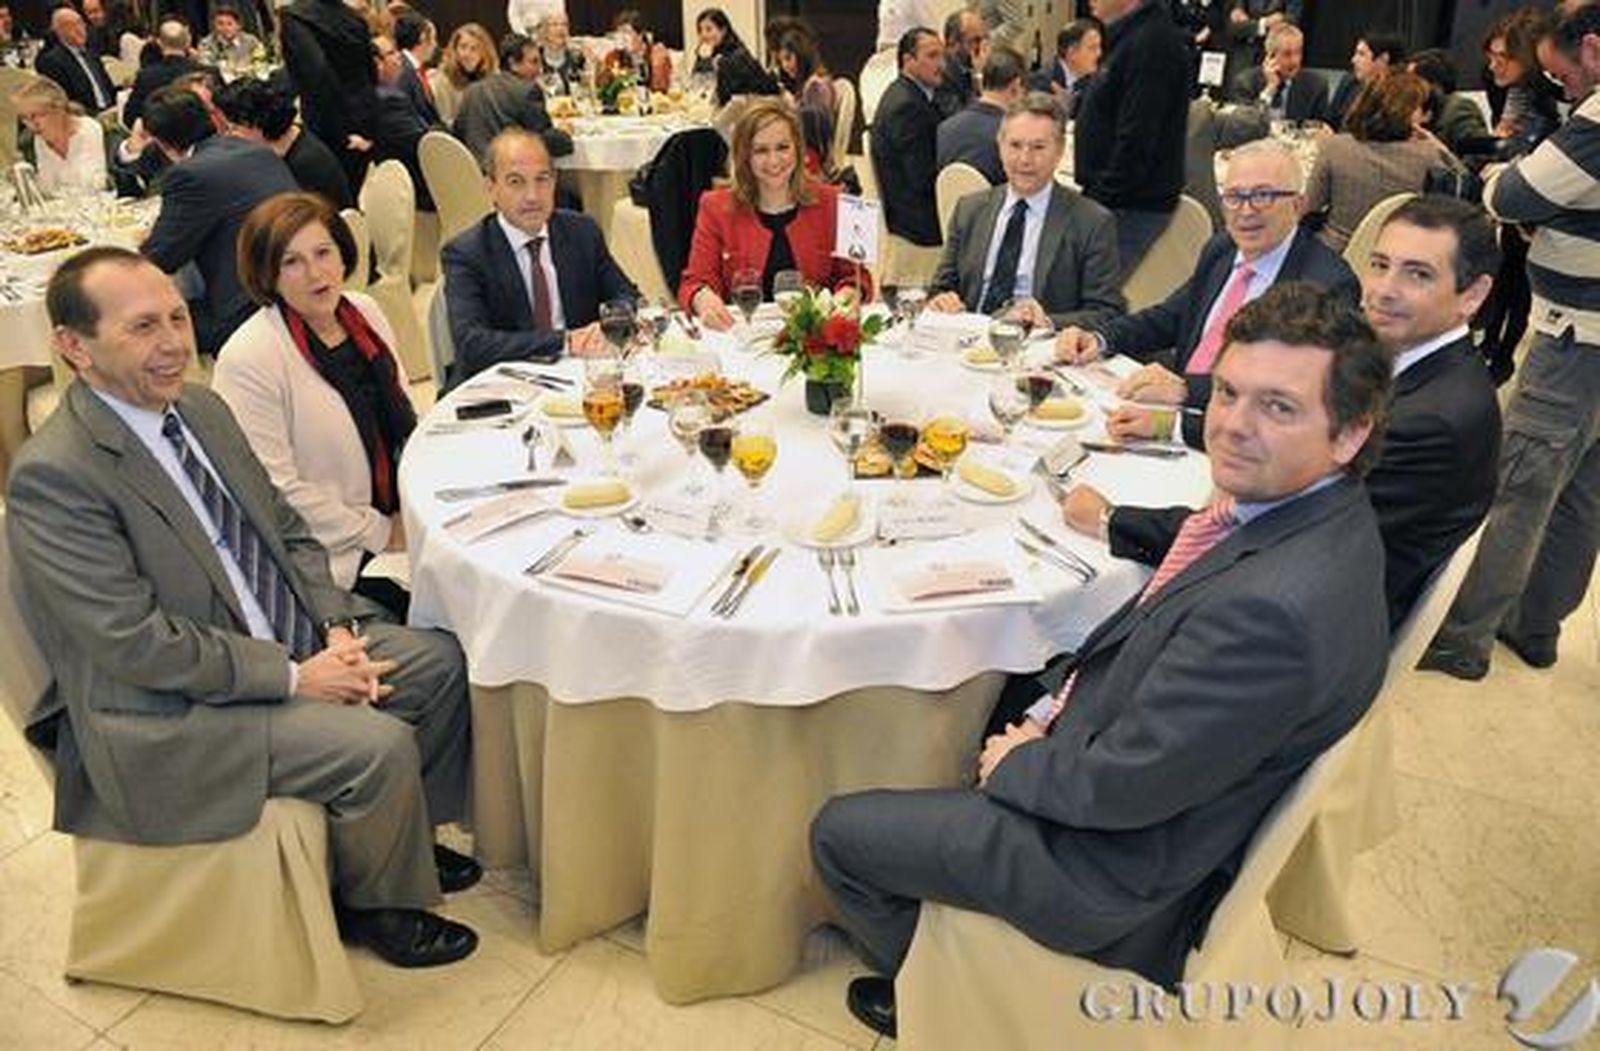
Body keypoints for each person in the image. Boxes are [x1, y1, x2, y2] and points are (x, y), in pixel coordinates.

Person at [812, 281, 1393, 1039]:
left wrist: (1016, 761)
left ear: (1349, 434)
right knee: (997, 680)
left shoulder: (1272, 613)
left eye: (1278, 408)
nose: (1232, 427)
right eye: (1227, 393)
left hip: (1110, 872)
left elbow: (1122, 788)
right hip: (1151, 775)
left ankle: (931, 992)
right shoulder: (1320, 520)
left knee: (838, 832)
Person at [8, 246, 481, 970]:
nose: (173, 343)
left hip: (283, 635)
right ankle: (380, 904)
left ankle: (400, 840)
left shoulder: (198, 406)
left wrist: (333, 624)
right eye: (141, 328)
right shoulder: (57, 475)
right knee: (375, 746)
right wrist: (297, 678)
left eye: (176, 316)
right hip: (167, 710)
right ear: (75, 348)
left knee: (441, 661)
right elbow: (135, 644)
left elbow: (283, 527)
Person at [1073, 196, 1501, 631]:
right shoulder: (1412, 364)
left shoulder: (1434, 420)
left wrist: (1113, 520)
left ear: (1473, 295)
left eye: (1418, 274)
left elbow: (1268, 533)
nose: (1384, 290)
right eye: (1379, 264)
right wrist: (1173, 424)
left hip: (1293, 619)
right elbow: (1290, 430)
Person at [1419, 4, 1600, 681]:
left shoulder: (1597, 121)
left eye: (1566, 74)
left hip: (1576, 337)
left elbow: (1514, 193)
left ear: (1593, 48)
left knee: (1518, 485)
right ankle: (1537, 626)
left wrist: (1504, 187)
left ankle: (1464, 637)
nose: (1568, 92)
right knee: (1581, 493)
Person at [1057, 139, 1356, 447]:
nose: (1246, 210)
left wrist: (1187, 392)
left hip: (1244, 444)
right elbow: (1170, 316)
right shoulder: (1223, 249)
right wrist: (1101, 338)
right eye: (1234, 197)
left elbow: (1286, 394)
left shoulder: (1327, 284)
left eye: (1263, 196)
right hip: (1166, 414)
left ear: (1297, 204)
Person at [213, 193, 413, 616]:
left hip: (404, 515)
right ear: (268, 275)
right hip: (338, 554)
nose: (315, 273)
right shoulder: (251, 357)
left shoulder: (366, 313)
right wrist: (381, 532)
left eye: (323, 252)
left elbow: (404, 415)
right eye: (291, 262)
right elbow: (277, 492)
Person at [440, 129, 634, 383]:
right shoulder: (467, 253)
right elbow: (472, 343)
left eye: (542, 179)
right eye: (516, 182)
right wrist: (564, 342)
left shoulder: (582, 232)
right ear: (491, 188)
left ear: (555, 182)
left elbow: (626, 296)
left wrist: (607, 326)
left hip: (583, 380)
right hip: (503, 386)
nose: (532, 196)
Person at [929, 92, 1123, 328]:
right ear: (999, 146)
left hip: (1039, 350)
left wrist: (1048, 321)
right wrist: (941, 300)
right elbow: (941, 287)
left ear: (1059, 151)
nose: (1024, 159)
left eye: (1038, 147)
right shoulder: (970, 209)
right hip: (971, 345)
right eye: (1015, 145)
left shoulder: (1091, 222)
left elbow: (1107, 312)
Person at [680, 99, 871, 328]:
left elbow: (856, 277)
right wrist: (703, 299)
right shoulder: (715, 208)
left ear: (799, 149)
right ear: (744, 157)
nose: (774, 161)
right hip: (744, 335)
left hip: (815, 340)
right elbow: (695, 282)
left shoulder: (833, 202)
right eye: (761, 150)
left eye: (783, 147)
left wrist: (850, 294)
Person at [140, 86, 298, 354]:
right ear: (212, 118)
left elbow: (161, 259)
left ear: (162, 143)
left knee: (139, 325)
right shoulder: (256, 150)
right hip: (295, 288)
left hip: (250, 311)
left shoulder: (189, 175)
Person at [1073, 0, 1191, 280]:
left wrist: (1101, 200)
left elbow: (1137, 138)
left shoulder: (1152, 43)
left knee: (1093, 300)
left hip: (1129, 205)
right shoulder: (1129, 36)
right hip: (1114, 200)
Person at [1304, 72, 1459, 252]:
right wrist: (1438, 145)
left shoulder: (1335, 147)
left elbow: (1310, 206)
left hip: (1334, 256)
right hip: (1399, 255)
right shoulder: (1430, 155)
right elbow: (1463, 185)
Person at [278, 0, 380, 189]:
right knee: (356, 187)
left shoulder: (294, 18)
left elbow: (317, 75)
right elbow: (371, 71)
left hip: (328, 121)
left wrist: (341, 134)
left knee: (332, 197)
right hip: (365, 114)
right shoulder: (354, 17)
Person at [215, 75, 354, 210]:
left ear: (254, 124)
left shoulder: (305, 165)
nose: (229, 136)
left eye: (232, 128)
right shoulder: (291, 138)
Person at [871, 28, 945, 262]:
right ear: (908, 60)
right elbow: (922, 178)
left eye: (942, 56)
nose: (941, 64)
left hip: (907, 208)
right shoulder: (908, 107)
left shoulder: (907, 93)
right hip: (915, 221)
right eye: (932, 56)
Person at [452, 32, 572, 162]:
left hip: (474, 176)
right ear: (513, 63)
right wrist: (564, 133)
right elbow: (548, 143)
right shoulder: (528, 91)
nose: (540, 69)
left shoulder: (472, 90)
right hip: (512, 176)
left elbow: (457, 135)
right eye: (534, 62)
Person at [936, 45, 1025, 185]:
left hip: (953, 206)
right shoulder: (1015, 136)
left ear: (982, 82)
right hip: (995, 205)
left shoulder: (944, 129)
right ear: (1016, 86)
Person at [371, 34, 438, 212]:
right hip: (414, 193)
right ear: (377, 63)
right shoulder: (388, 100)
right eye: (392, 53)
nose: (400, 57)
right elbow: (424, 142)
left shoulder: (382, 94)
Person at [12, 75, 108, 194]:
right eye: (24, 118)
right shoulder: (32, 142)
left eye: (35, 116)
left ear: (59, 109)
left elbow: (105, 186)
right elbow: (44, 192)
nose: (31, 125)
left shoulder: (95, 132)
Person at [1228, 22, 1328, 124]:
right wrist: (1270, 89)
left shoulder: (1316, 85)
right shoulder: (1246, 83)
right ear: (1270, 57)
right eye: (1287, 54)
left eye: (1298, 52)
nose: (1295, 61)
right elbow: (1246, 125)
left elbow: (1318, 129)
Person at [124, 19, 210, 128]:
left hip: (160, 139)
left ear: (159, 43)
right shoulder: (209, 72)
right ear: (187, 41)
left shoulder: (146, 77)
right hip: (205, 138)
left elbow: (130, 118)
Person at [1406, 48, 1490, 157]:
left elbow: (1479, 155)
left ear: (1433, 84)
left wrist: (1447, 166)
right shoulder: (1417, 109)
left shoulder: (1459, 108)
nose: (1406, 87)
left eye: (1413, 81)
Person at [35, 6, 117, 115]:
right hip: (85, 117)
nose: (80, 29)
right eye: (71, 25)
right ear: (59, 31)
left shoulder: (91, 53)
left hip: (111, 111)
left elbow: (108, 88)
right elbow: (66, 104)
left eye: (80, 23)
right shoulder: (52, 62)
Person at [775, 29, 835, 176]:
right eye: (782, 61)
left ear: (801, 55)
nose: (785, 65)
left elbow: (814, 129)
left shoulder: (815, 85)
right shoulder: (811, 82)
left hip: (813, 161)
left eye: (788, 58)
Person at [1328, 29, 1404, 130]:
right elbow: (1329, 121)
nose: (1353, 60)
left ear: (1383, 59)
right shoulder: (1348, 82)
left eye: (1361, 54)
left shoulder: (1399, 95)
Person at [1028, 18, 1100, 118]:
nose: (1099, 53)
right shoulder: (1043, 81)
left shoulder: (1094, 81)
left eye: (1099, 47)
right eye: (1092, 48)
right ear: (1072, 52)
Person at [431, 22, 496, 127]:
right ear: (455, 49)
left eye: (474, 49)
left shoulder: (492, 81)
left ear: (485, 53)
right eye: (463, 47)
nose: (467, 54)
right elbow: (444, 121)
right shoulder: (442, 80)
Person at [932, 6, 986, 119]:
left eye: (985, 38)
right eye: (976, 40)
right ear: (953, 43)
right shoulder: (940, 74)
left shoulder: (978, 65)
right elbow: (965, 121)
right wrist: (978, 77)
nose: (981, 47)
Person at [391, 11, 438, 126]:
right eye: (434, 38)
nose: (435, 45)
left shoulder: (414, 70)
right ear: (422, 37)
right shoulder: (402, 71)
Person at [533, 12, 584, 95]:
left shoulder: (577, 57)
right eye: (554, 24)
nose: (560, 29)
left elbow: (586, 89)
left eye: (564, 24)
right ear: (544, 30)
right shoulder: (534, 58)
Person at [687, 7, 744, 79]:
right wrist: (703, 59)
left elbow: (723, 86)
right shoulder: (707, 52)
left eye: (709, 29)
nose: (703, 35)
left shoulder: (737, 56)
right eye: (700, 30)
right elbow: (696, 83)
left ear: (723, 30)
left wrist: (707, 61)